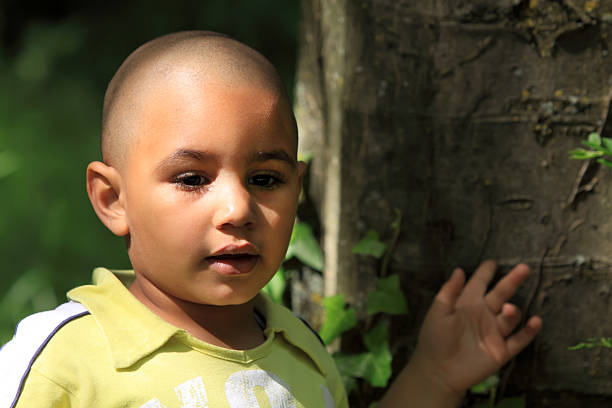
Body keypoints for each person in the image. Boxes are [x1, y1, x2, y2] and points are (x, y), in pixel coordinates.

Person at [0, 31, 542, 408]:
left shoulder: (300, 352)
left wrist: (434, 378)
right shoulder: (65, 360)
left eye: (265, 179)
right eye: (192, 179)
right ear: (113, 199)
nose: (237, 210)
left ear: (298, 191)